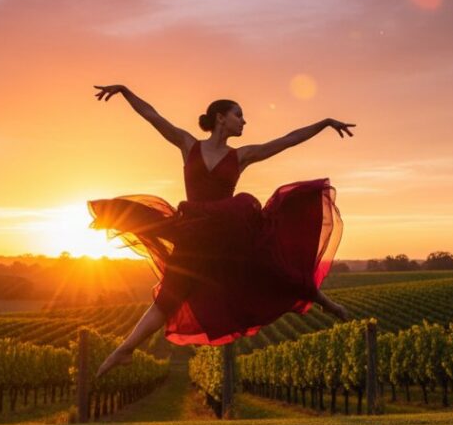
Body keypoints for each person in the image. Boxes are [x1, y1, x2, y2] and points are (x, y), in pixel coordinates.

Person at [89, 84, 355, 377]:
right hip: (194, 236)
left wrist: (324, 123)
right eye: (238, 115)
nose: (244, 121)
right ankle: (124, 350)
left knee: (275, 270)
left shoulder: (241, 156)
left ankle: (328, 305)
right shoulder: (188, 145)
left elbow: (288, 140)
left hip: (229, 235)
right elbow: (153, 116)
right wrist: (126, 91)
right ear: (220, 118)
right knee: (168, 297)